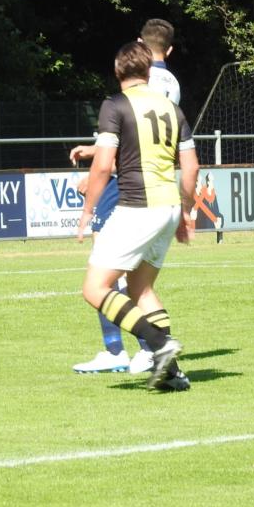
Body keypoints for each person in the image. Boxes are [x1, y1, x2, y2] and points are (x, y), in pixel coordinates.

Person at [76, 39, 198, 391]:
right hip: (168, 208)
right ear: (148, 71)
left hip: (137, 207)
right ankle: (173, 373)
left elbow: (102, 165)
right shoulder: (171, 109)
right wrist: (185, 211)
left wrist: (87, 210)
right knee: (140, 288)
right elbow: (190, 167)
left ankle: (159, 345)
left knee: (95, 288)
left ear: (117, 71)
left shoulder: (115, 105)